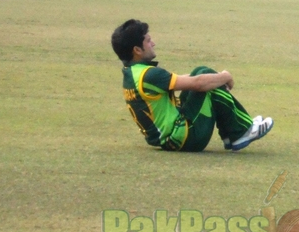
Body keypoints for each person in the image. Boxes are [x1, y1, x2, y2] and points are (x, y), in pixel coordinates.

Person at [111, 19, 273, 153]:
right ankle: (241, 132)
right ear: (137, 50)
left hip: (169, 138)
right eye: (148, 41)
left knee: (202, 73)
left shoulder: (133, 72)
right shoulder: (149, 75)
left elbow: (189, 78)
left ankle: (231, 134)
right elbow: (199, 83)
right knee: (207, 81)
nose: (153, 43)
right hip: (184, 138)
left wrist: (215, 77)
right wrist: (225, 76)